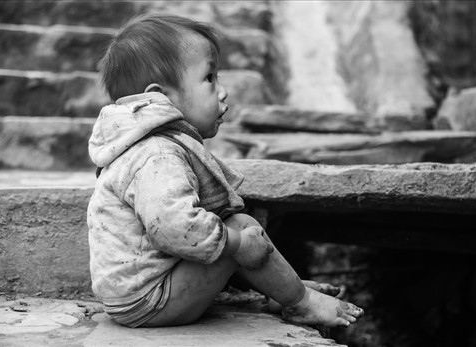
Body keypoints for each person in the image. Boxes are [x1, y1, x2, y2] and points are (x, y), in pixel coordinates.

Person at [87, 13, 364, 329]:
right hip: (149, 300)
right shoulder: (158, 155)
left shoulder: (148, 146)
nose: (223, 91)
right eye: (210, 78)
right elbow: (174, 229)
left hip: (140, 294)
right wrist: (237, 245)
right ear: (161, 97)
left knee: (230, 232)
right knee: (240, 232)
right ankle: (300, 303)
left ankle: (285, 288)